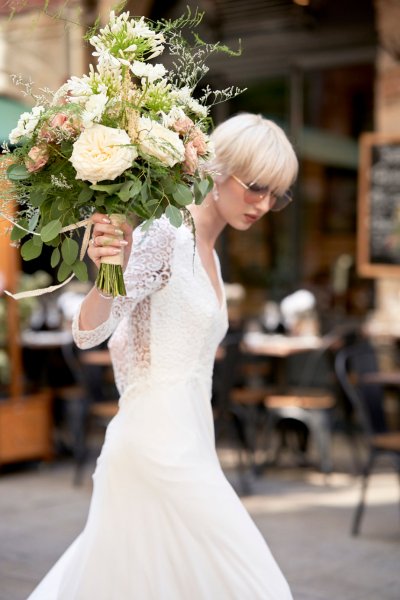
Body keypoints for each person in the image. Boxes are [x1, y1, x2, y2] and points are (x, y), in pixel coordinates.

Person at [28, 112, 298, 599]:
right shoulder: (164, 238)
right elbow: (92, 333)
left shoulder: (211, 254)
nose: (263, 203)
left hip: (192, 441)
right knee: (254, 584)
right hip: (156, 446)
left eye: (276, 195)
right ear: (219, 168)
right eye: (256, 186)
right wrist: (109, 272)